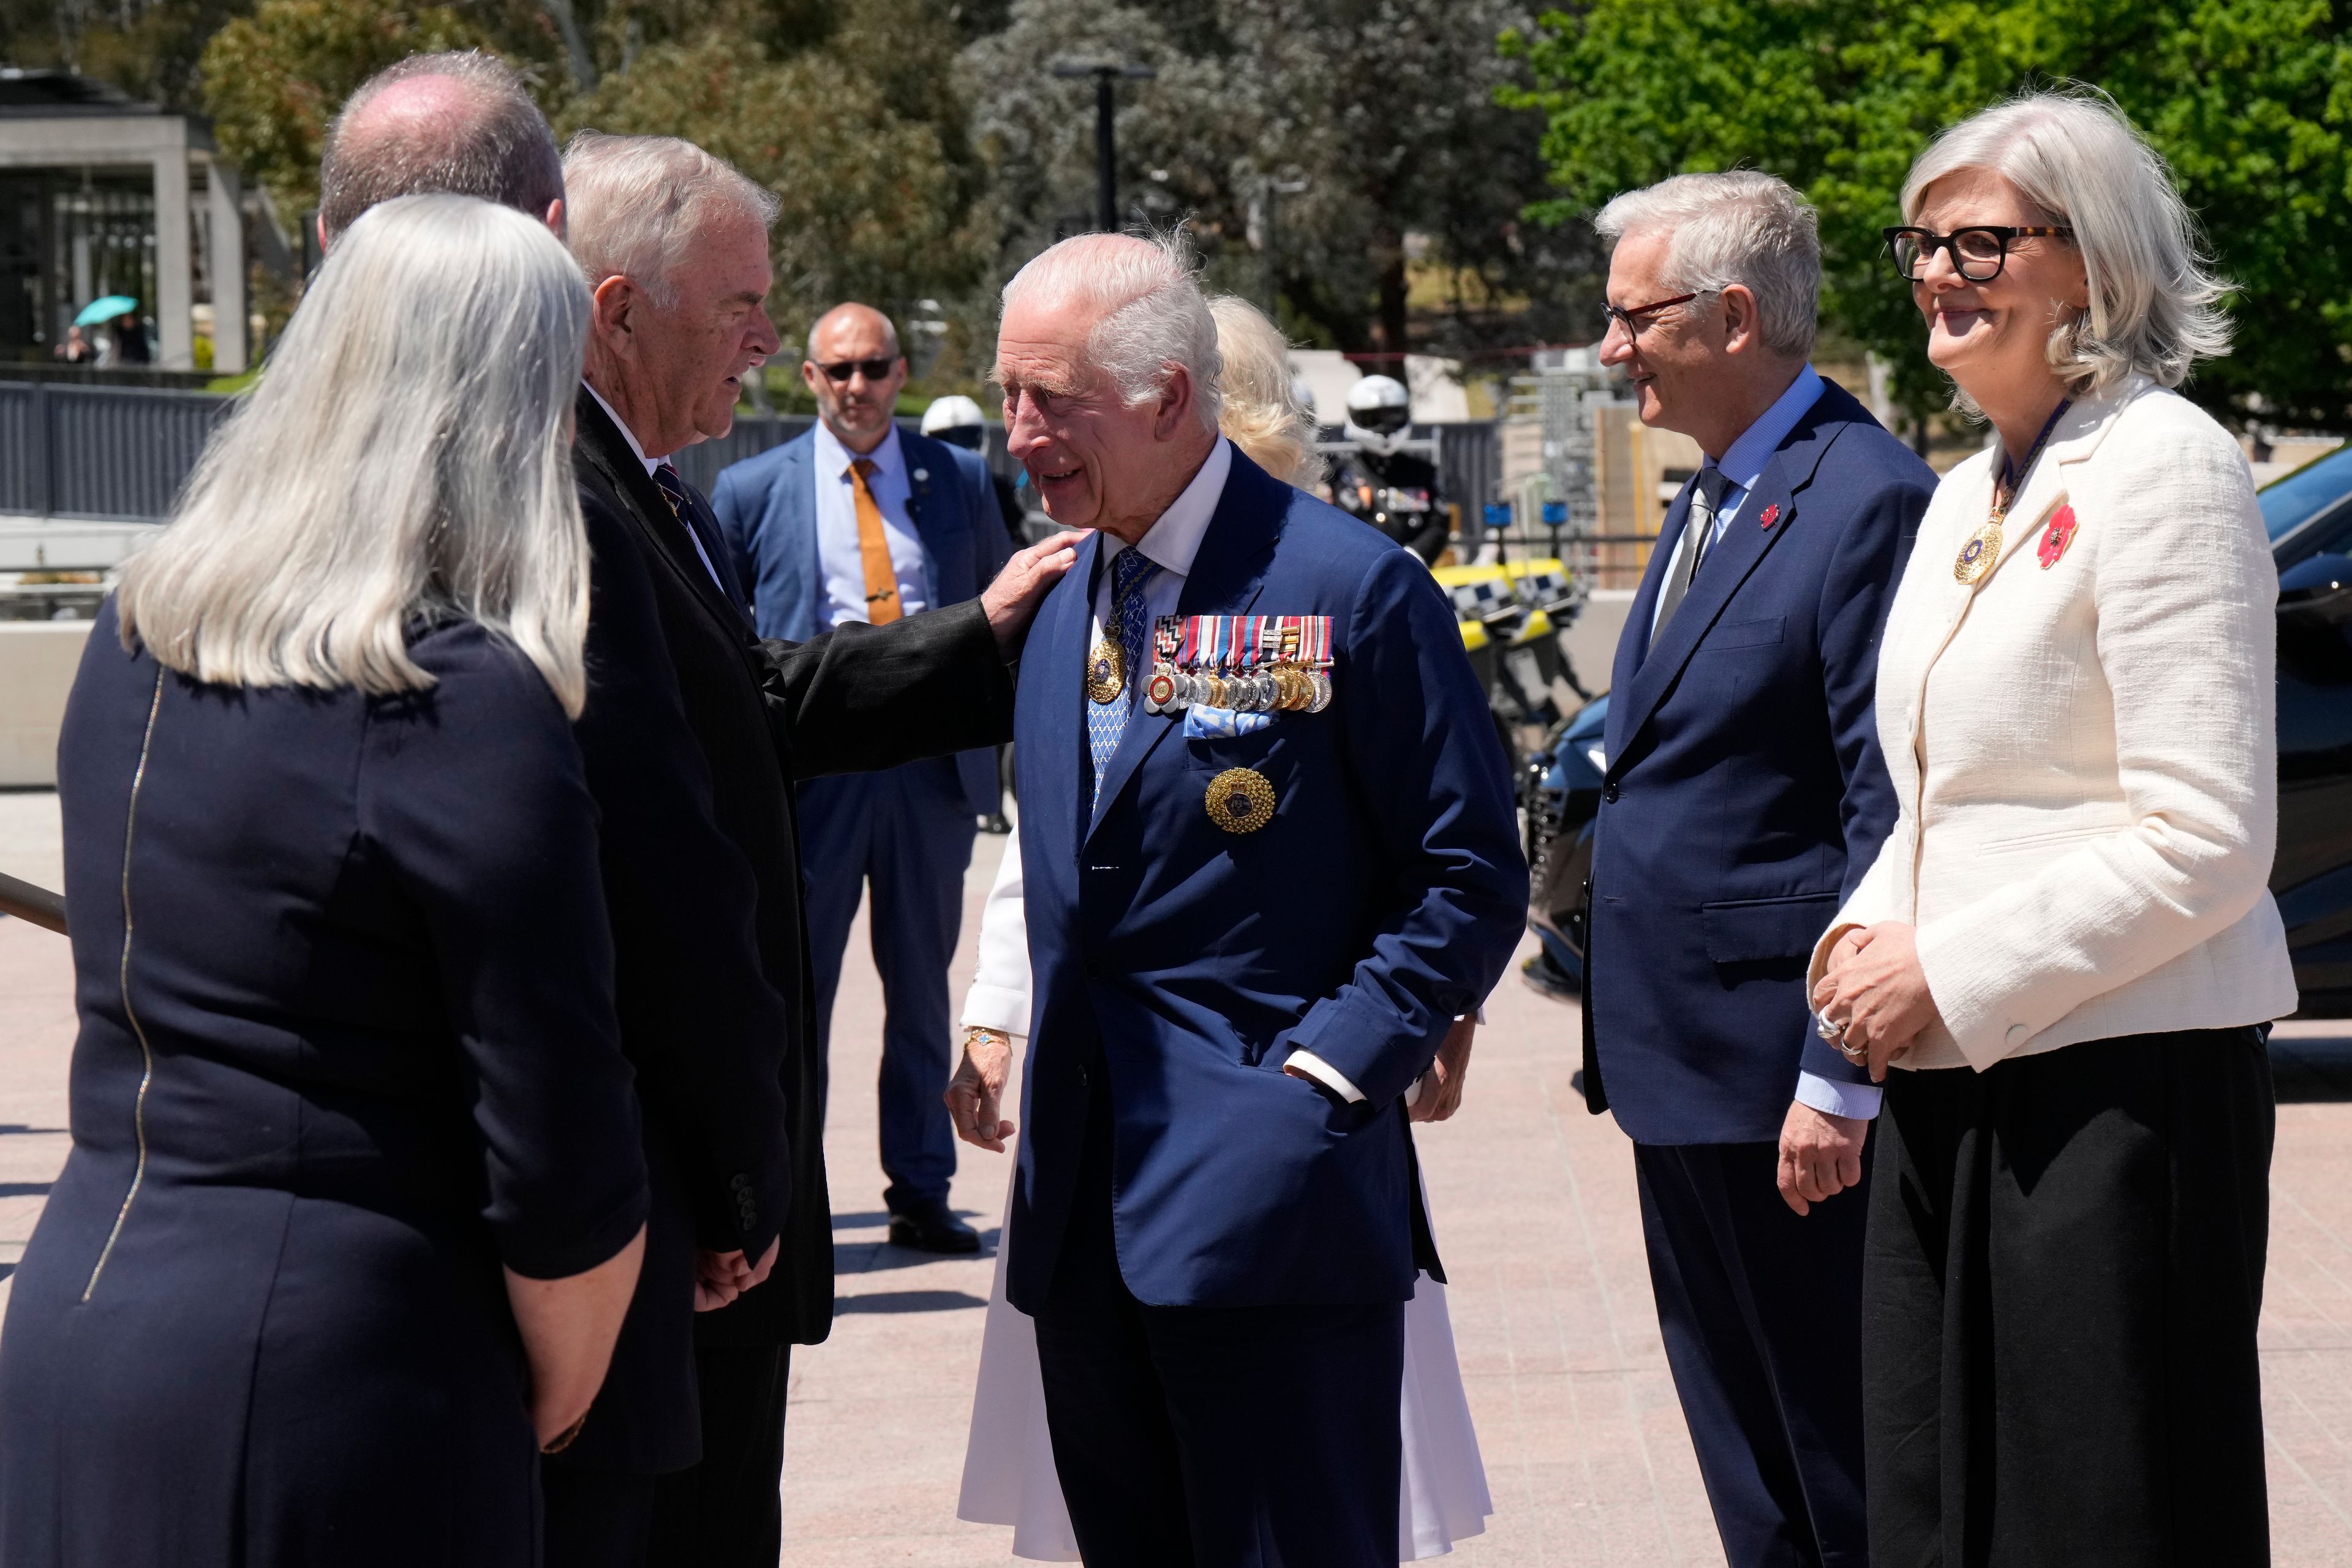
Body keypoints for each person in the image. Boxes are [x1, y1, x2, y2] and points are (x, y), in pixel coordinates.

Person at [0, 194, 649, 1566]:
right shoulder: (461, 696)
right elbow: (563, 1159)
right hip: (341, 1373)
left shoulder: (137, 634)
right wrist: (536, 1390)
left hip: (82, 1324)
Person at [560, 134, 1078, 1565]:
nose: (776, 344)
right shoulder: (577, 503)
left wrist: (974, 639)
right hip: (672, 1229)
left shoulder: (649, 487)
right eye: (741, 307)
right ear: (618, 308)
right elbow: (657, 878)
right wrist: (733, 1181)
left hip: (710, 1210)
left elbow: (762, 691)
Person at [972, 230, 1523, 1563]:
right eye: (1008, 394)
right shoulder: (1062, 603)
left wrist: (1333, 1076)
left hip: (1274, 1211)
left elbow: (1466, 869)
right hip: (1085, 1216)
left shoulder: (1349, 586)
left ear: (1166, 394)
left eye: (1053, 399)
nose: (1020, 433)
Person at [1811, 89, 2297, 1566]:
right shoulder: (1963, 487)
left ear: (2085, 262)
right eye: (1920, 243)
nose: (1935, 275)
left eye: (1978, 241)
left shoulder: (2166, 463)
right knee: (1930, 1504)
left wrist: (1940, 969)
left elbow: (2206, 832)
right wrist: (1858, 936)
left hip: (2115, 1096)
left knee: (2097, 1515)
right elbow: (1937, 777)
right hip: (1948, 1083)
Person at [1580, 171, 1934, 1568]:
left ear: (1732, 316)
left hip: (1781, 1090)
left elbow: (1881, 811)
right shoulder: (1720, 491)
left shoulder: (1862, 498)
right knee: (1744, 1456)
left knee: (1832, 1458)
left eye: (1630, 318)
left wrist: (1833, 1074)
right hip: (1680, 1066)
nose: (1609, 349)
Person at [708, 304, 1015, 1254]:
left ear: (899, 371)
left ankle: (920, 1190)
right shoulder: (751, 490)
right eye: (837, 371)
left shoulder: (958, 479)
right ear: (808, 378)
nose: (857, 387)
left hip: (928, 775)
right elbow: (728, 636)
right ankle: (789, 1195)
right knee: (797, 992)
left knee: (922, 990)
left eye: (874, 368)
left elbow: (1004, 611)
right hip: (817, 772)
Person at [1329, 373, 1450, 563]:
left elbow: (1439, 524)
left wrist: (1413, 558)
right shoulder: (1336, 474)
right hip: (1354, 572)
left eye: (1393, 417)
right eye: (1371, 418)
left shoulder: (1423, 473)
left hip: (1411, 574)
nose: (1384, 429)